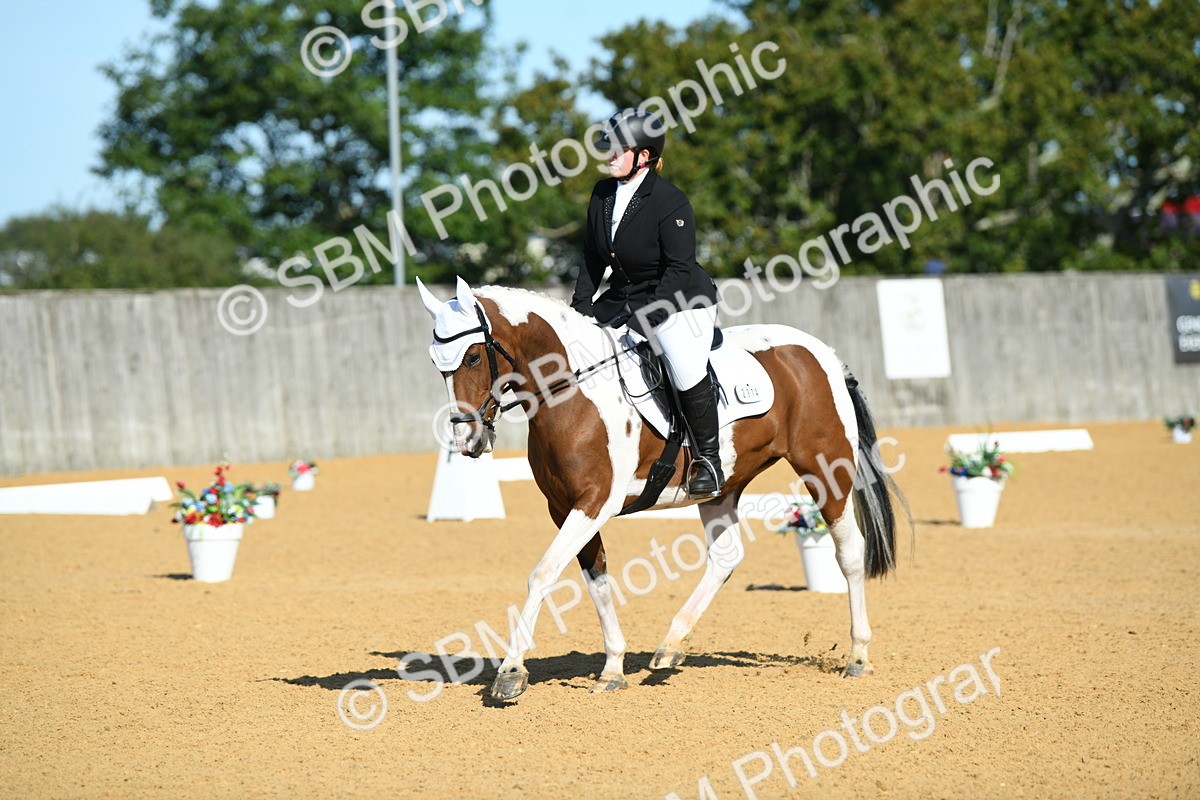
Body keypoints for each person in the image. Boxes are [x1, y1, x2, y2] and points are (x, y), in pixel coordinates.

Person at [570, 108, 724, 497]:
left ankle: (709, 460)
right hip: (624, 296)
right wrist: (579, 308)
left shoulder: (670, 201)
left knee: (684, 364)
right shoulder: (602, 194)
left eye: (618, 149)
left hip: (680, 299)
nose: (608, 155)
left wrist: (641, 321)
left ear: (644, 156)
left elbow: (679, 268)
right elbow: (592, 255)